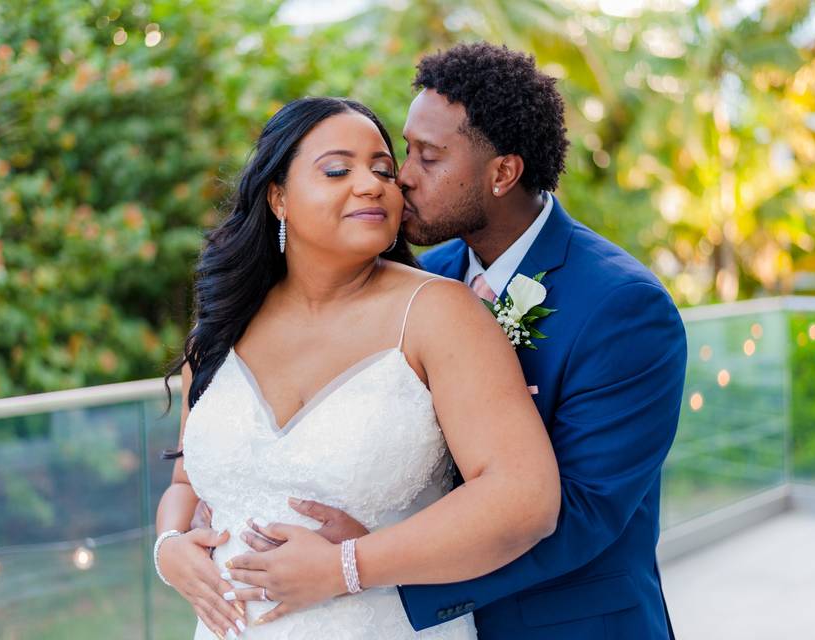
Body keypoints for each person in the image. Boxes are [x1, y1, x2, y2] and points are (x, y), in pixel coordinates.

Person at [230, 43, 688, 639]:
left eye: (429, 157)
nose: (403, 177)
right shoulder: (422, 282)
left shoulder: (624, 308)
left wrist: (365, 566)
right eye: (407, 150)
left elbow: (582, 515)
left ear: (503, 173)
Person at [153, 96, 560, 639]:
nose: (372, 185)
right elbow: (188, 481)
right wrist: (169, 547)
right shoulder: (222, 328)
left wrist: (346, 566)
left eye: (384, 171)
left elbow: (524, 499)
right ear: (279, 198)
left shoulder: (438, 313)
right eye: (338, 170)